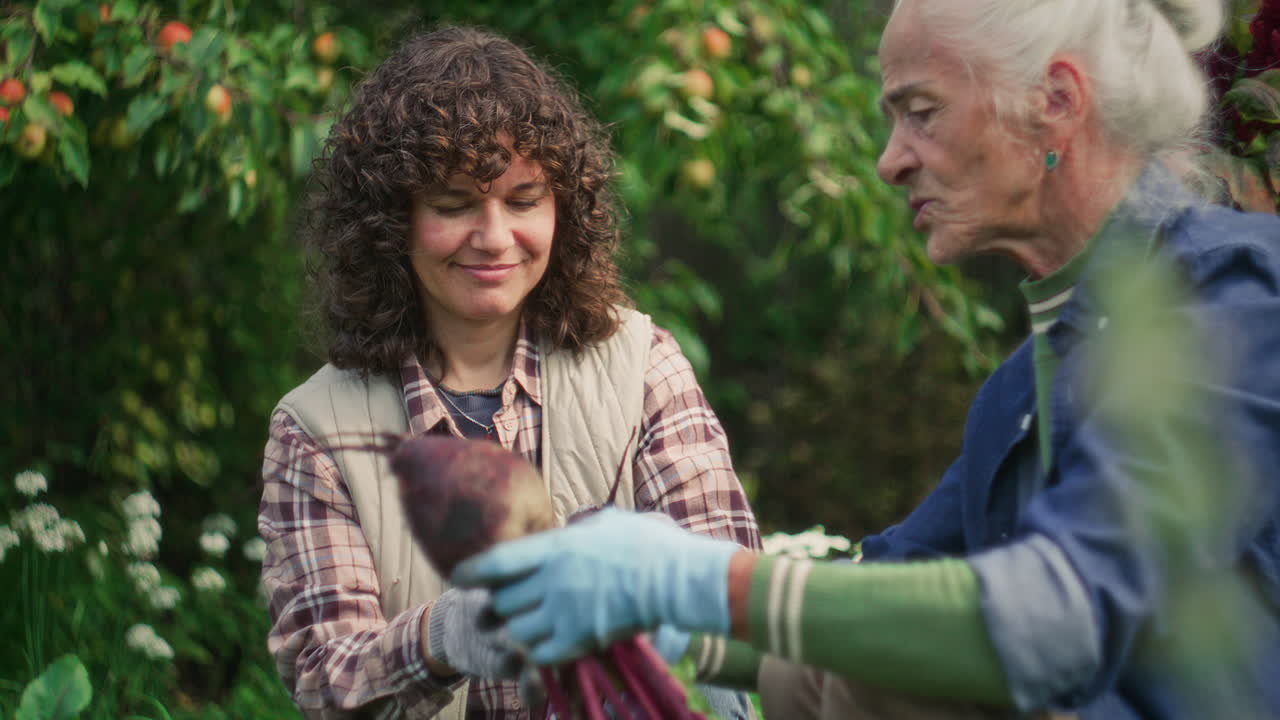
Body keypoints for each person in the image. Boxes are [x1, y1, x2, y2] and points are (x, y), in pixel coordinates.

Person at [453, 1, 1280, 718]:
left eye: (921, 111)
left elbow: (1061, 616)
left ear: (1054, 102)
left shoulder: (1233, 299)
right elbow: (885, 589)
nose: (890, 160)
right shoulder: (1022, 389)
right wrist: (639, 615)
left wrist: (696, 582)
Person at [256, 26, 761, 720]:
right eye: (455, 204)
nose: (494, 238)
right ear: (390, 222)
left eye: (524, 201)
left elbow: (733, 604)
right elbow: (326, 679)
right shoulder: (316, 431)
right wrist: (445, 636)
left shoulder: (643, 366)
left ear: (564, 209)